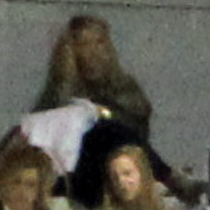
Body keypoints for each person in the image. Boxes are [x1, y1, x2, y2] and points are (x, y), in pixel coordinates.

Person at [40, 15, 158, 194]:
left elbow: (134, 131)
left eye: (100, 42)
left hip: (119, 170)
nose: (93, 51)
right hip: (74, 177)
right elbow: (49, 130)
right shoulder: (62, 86)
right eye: (84, 44)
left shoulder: (124, 85)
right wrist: (66, 77)